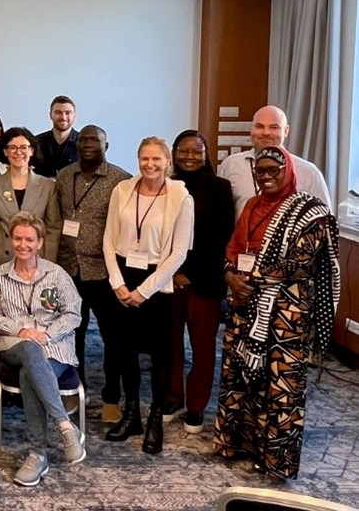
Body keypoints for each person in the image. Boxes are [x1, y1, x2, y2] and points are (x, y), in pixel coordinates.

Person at [214, 146, 340, 480]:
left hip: (287, 315)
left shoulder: (311, 213)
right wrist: (230, 276)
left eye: (274, 170)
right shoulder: (252, 206)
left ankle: (276, 461)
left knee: (280, 384)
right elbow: (233, 250)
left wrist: (248, 281)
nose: (267, 177)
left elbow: (299, 263)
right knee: (243, 377)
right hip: (245, 307)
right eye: (260, 171)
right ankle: (241, 444)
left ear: (289, 172)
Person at [102, 136, 194, 455]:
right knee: (123, 351)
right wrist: (117, 283)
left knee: (159, 357)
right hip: (123, 279)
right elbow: (108, 241)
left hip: (158, 283)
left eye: (157, 159)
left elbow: (179, 253)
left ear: (168, 162)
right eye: (144, 159)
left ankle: (155, 417)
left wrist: (144, 290)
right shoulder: (122, 190)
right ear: (137, 159)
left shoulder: (182, 197)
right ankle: (132, 415)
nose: (150, 165)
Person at [0, 212, 86, 487]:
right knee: (29, 350)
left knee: (31, 375)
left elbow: (74, 313)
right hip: (13, 346)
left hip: (55, 349)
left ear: (40, 241)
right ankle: (65, 425)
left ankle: (37, 453)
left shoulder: (56, 274)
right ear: (11, 239)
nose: (23, 244)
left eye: (29, 239)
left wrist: (47, 333)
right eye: (17, 238)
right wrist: (22, 331)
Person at [54, 125, 132, 421]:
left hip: (103, 271)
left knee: (113, 338)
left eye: (94, 140)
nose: (88, 144)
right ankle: (75, 390)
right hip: (67, 268)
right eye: (83, 139)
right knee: (72, 334)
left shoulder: (120, 181)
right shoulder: (63, 176)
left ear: (106, 145)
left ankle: (112, 397)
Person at [164, 130, 235, 433]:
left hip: (205, 280)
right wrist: (172, 272)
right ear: (175, 154)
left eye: (197, 152)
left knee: (203, 347)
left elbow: (221, 238)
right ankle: (172, 396)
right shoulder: (165, 187)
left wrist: (189, 273)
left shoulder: (220, 188)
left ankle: (196, 406)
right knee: (169, 344)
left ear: (206, 155)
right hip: (168, 279)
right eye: (184, 151)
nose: (190, 157)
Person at [0, 127, 62, 279]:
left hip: (36, 262)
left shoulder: (48, 186)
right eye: (12, 147)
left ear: (32, 151)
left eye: (24, 147)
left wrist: (49, 265)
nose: (18, 152)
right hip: (0, 262)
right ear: (5, 152)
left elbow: (53, 229)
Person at [216, 105, 331, 218]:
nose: (266, 132)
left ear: (286, 131)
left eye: (274, 127)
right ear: (251, 129)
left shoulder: (309, 173)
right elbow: (218, 214)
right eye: (259, 126)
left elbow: (324, 220)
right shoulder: (230, 165)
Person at [34, 96, 78, 178]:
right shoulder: (36, 142)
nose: (63, 117)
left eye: (67, 113)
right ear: (50, 115)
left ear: (74, 115)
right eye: (58, 112)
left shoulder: (84, 143)